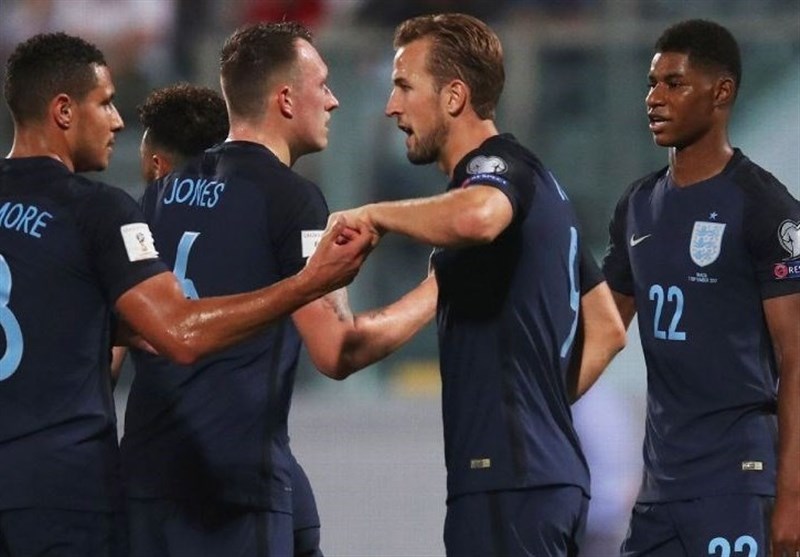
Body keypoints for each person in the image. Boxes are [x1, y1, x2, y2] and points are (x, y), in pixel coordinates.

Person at [0, 32, 371, 556]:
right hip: (67, 492)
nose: (117, 121)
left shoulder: (142, 203)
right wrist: (307, 284)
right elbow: (179, 332)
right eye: (105, 103)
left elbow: (80, 331)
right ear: (63, 110)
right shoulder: (99, 211)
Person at [120, 21, 437, 557]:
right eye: (323, 85)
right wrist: (438, 287)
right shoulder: (292, 200)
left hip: (145, 481)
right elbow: (336, 349)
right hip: (232, 491)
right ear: (286, 99)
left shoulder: (158, 192)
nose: (334, 100)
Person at [329, 13, 626, 557]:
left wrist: (375, 214)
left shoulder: (499, 171)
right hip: (533, 477)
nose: (392, 106)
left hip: (510, 480)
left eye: (404, 86)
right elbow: (607, 328)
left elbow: (477, 217)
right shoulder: (541, 192)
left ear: (454, 96)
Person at [602, 19, 800, 557]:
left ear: (721, 92)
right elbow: (602, 330)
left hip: (738, 480)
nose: (654, 98)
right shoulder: (637, 205)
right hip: (659, 489)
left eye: (674, 84)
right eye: (652, 83)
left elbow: (796, 357)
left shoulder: (765, 208)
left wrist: (792, 498)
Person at [121, 81, 331, 557]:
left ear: (158, 164)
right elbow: (334, 349)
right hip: (242, 475)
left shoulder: (143, 210)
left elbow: (109, 359)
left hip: (151, 471)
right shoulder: (282, 201)